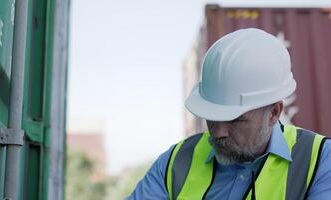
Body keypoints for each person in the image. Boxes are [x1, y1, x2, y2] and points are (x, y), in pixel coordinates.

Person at [127, 28, 331, 200]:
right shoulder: (175, 162)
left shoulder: (321, 160)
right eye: (212, 116)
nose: (217, 132)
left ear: (274, 112)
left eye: (234, 119)